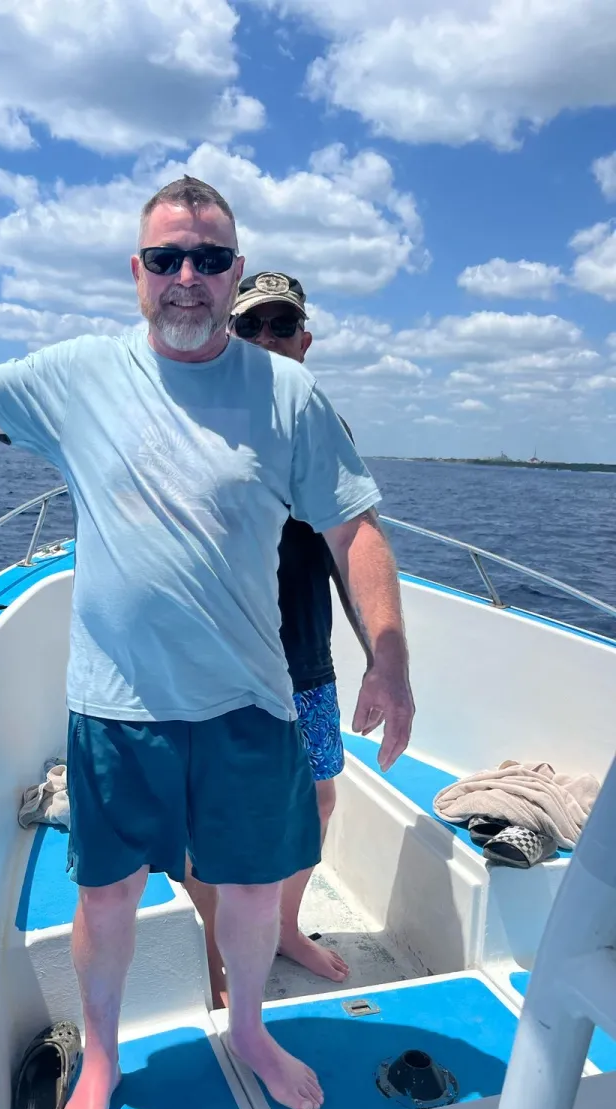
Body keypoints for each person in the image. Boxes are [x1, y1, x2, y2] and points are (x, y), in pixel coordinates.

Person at [0, 175, 415, 1109]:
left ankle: (249, 1029)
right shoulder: (81, 374)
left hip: (251, 706)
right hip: (116, 710)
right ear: (138, 271)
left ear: (234, 271)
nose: (188, 277)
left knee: (251, 893)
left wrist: (391, 657)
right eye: (167, 258)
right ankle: (102, 1059)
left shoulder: (287, 394)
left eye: (210, 259)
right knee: (105, 900)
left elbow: (352, 527)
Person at [183, 270, 382, 1005]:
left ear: (305, 341)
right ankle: (215, 956)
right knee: (212, 819)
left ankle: (285, 928)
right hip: (221, 666)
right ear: (228, 334)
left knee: (318, 799)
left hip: (305, 660)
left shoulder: (327, 429)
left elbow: (350, 547)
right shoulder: (200, 425)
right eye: (250, 325)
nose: (266, 339)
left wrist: (381, 660)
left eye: (281, 325)